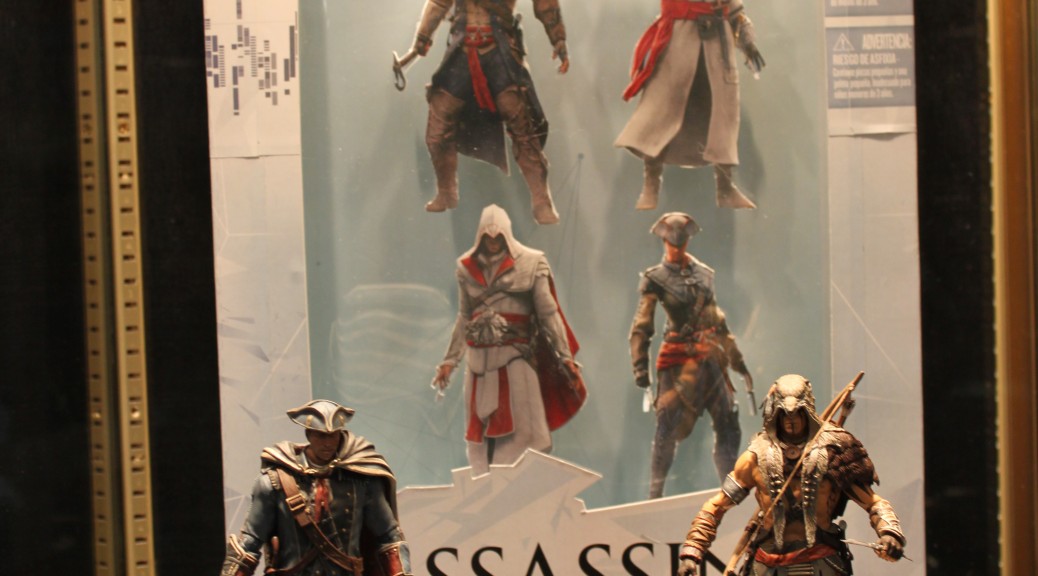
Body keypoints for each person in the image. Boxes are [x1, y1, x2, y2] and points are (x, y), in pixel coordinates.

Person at [677, 374, 906, 576]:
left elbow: (873, 502)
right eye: (784, 413)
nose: (791, 420)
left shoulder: (834, 449)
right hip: (766, 564)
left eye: (798, 413)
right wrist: (692, 551)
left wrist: (889, 533)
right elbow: (717, 506)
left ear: (808, 411)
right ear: (775, 412)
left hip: (821, 561)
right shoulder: (756, 455)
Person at [432, 204, 586, 474]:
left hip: (515, 359)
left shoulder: (532, 263)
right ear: (480, 236)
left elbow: (548, 313)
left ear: (506, 235)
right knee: (479, 440)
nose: (493, 242)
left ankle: (515, 486)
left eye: (498, 237)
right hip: (478, 365)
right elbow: (465, 317)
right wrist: (449, 361)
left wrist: (565, 358)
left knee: (523, 435)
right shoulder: (466, 267)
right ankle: (485, 486)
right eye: (487, 238)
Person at [405, 0, 570, 224]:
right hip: (462, 48)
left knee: (521, 125)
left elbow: (545, 3)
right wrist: (422, 38)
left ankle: (542, 201)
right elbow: (439, 2)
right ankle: (446, 192)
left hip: (500, 49)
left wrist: (558, 39)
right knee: (439, 119)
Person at [629, 212, 752, 498]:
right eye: (671, 243)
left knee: (728, 420)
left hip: (709, 359)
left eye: (680, 243)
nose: (676, 248)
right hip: (676, 363)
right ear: (664, 241)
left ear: (687, 241)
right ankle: (654, 497)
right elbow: (642, 325)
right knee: (665, 428)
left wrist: (737, 361)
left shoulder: (704, 274)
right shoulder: (655, 279)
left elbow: (718, 321)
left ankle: (731, 492)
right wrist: (640, 368)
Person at [220, 400, 412, 576]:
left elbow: (389, 536)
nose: (328, 443)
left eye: (333, 436)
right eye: (321, 436)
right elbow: (250, 543)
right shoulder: (274, 482)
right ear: (308, 434)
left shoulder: (362, 481)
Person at [615, 0, 765, 211]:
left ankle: (725, 188)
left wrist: (747, 42)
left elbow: (734, 10)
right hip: (679, 38)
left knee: (722, 115)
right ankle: (650, 186)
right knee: (660, 113)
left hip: (717, 43)